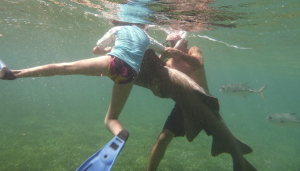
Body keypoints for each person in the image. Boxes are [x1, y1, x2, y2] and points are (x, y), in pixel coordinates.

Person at [0, 24, 166, 137]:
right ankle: (119, 135)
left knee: (63, 68)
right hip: (130, 74)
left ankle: (17, 73)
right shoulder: (147, 38)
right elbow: (165, 50)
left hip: (113, 61)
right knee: (111, 118)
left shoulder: (118, 28)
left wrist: (108, 49)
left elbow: (96, 50)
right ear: (145, 27)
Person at [147, 32, 209, 171]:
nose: (171, 46)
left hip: (205, 101)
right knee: (163, 139)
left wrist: (180, 54)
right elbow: (166, 93)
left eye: (175, 43)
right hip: (182, 105)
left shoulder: (193, 50)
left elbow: (198, 63)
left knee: (224, 138)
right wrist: (156, 92)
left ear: (184, 43)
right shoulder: (167, 63)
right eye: (169, 43)